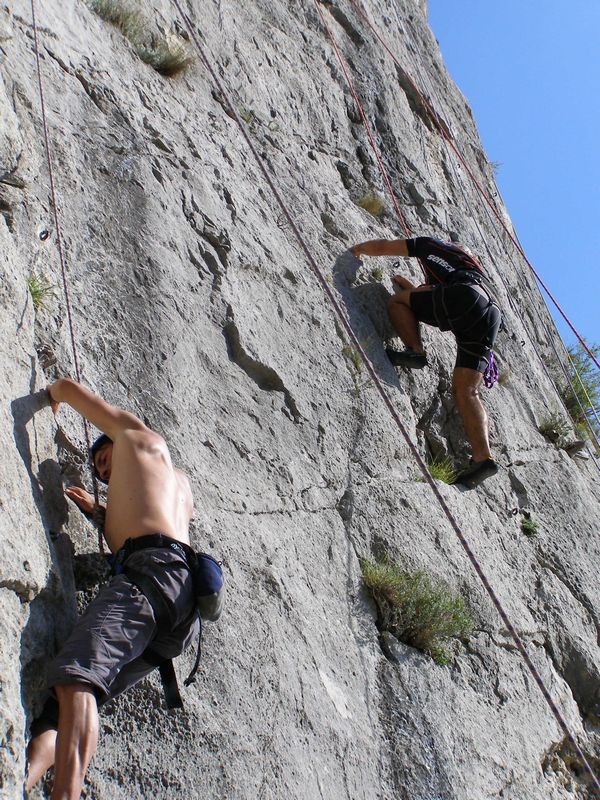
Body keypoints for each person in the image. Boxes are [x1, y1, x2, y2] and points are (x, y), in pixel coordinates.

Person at [26, 378, 200, 799]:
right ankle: (20, 779)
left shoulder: (136, 434)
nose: (104, 471)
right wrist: (101, 513)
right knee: (58, 709)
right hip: (179, 605)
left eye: (103, 458)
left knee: (76, 679)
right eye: (102, 472)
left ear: (115, 439)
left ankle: (65, 793)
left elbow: (67, 388)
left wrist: (49, 397)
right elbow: (153, 522)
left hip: (151, 576)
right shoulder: (179, 485)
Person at [350, 236, 502, 487]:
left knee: (397, 302)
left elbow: (386, 246)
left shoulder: (430, 245)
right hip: (489, 313)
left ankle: (415, 352)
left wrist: (359, 249)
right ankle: (483, 457)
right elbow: (434, 297)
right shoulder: (469, 269)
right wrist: (413, 290)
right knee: (467, 390)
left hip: (464, 297)